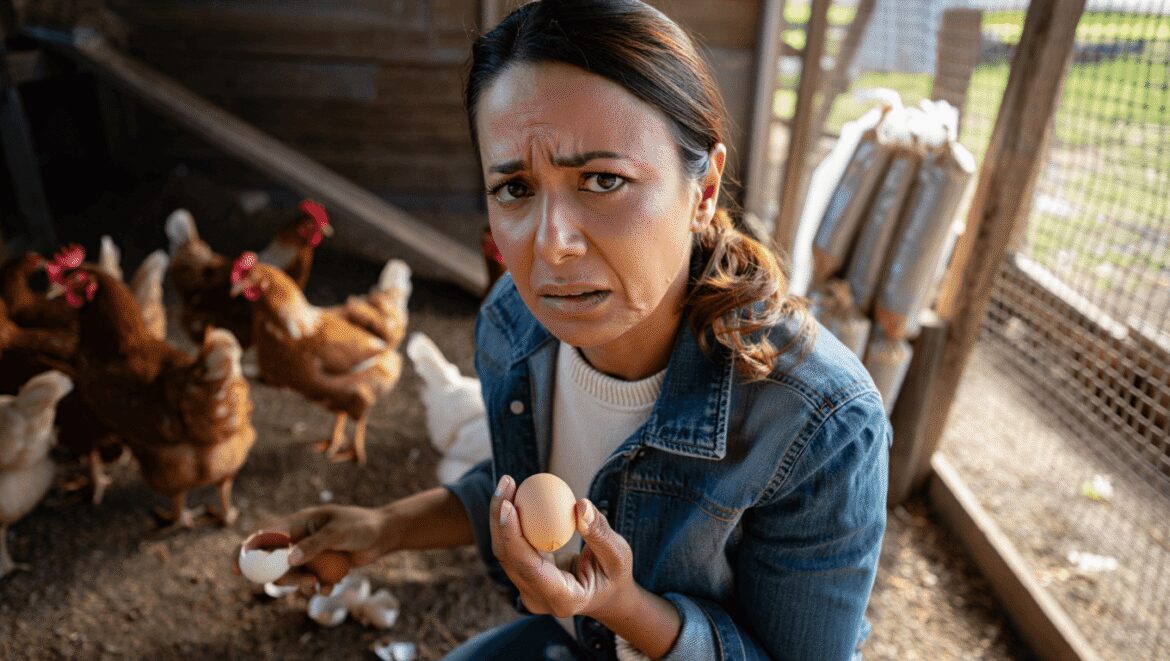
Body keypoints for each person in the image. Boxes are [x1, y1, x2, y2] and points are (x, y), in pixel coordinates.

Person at [253, 1, 891, 659]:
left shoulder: (819, 422)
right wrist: (382, 528)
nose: (550, 245)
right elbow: (536, 478)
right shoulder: (515, 321)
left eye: (603, 179)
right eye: (516, 189)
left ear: (703, 193)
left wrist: (620, 607)